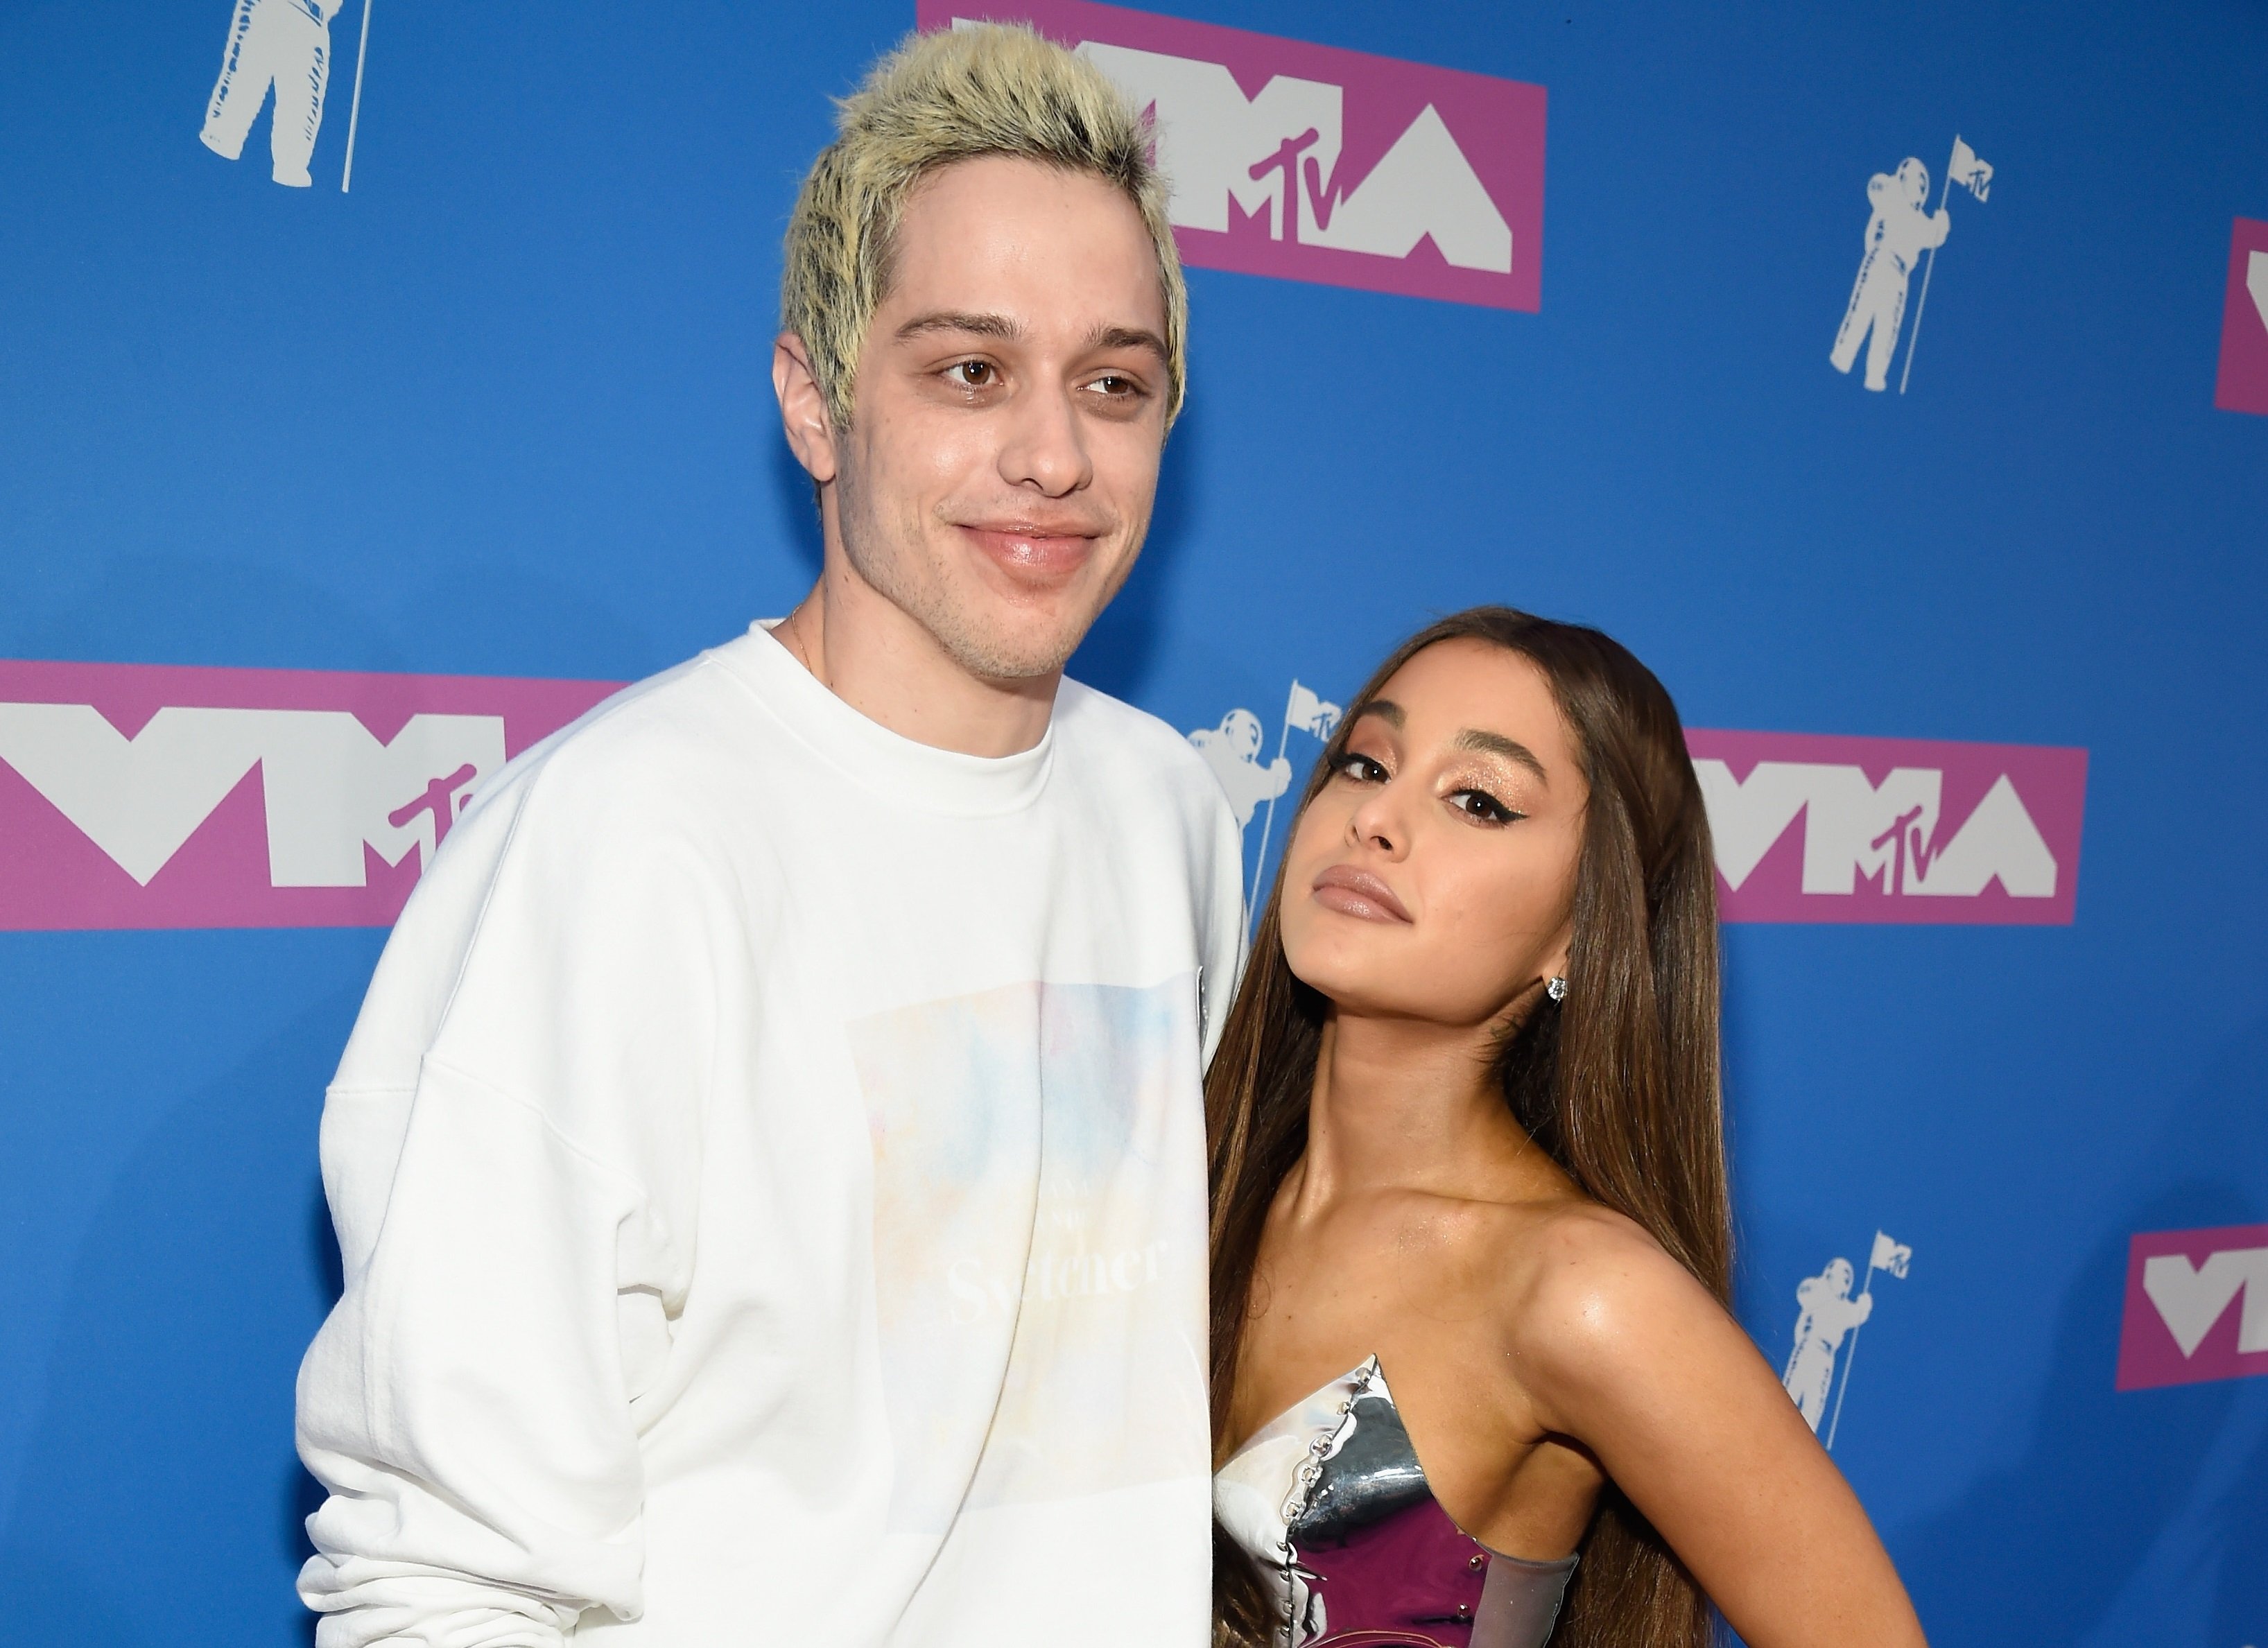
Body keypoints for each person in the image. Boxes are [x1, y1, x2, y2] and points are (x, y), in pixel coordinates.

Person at [294, 25, 1244, 1647]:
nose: (1053, 454)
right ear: (816, 401)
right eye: (968, 370)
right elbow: (444, 1588)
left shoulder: (1168, 813)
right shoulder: (613, 847)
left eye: (1114, 382)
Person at [1206, 607, 1928, 1648]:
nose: (1376, 821)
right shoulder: (1188, 1181)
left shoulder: (1579, 1291)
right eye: (1366, 764)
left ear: (1580, 933)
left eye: (1476, 800)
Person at [1830, 157, 1949, 392]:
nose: (1920, 189)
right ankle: (1843, 355)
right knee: (1862, 310)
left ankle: (1875, 374)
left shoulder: (1918, 220)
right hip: (1880, 257)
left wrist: (1941, 222)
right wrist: (1892, 184)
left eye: (1923, 186)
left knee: (1888, 324)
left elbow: (1933, 236)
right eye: (1918, 182)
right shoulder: (1891, 198)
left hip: (1899, 274)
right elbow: (1875, 187)